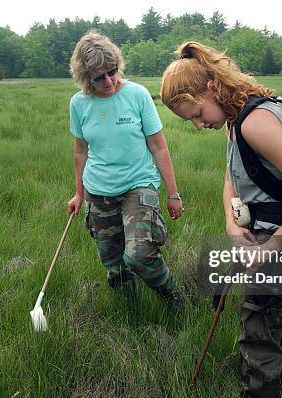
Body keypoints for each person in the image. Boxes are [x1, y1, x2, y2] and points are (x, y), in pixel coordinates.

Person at [161, 42, 282, 397]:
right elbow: (234, 175)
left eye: (196, 113)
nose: (197, 125)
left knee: (260, 347)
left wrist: (269, 247)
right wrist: (231, 223)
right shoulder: (242, 116)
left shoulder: (254, 123)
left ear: (211, 87)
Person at [67, 32, 184, 305]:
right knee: (114, 262)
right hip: (99, 190)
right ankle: (129, 307)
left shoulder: (137, 95)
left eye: (112, 72)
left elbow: (158, 146)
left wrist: (173, 193)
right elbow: (80, 150)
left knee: (139, 254)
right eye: (99, 77)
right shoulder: (79, 103)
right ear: (85, 78)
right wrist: (79, 194)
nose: (109, 81)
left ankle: (172, 296)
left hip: (138, 184)